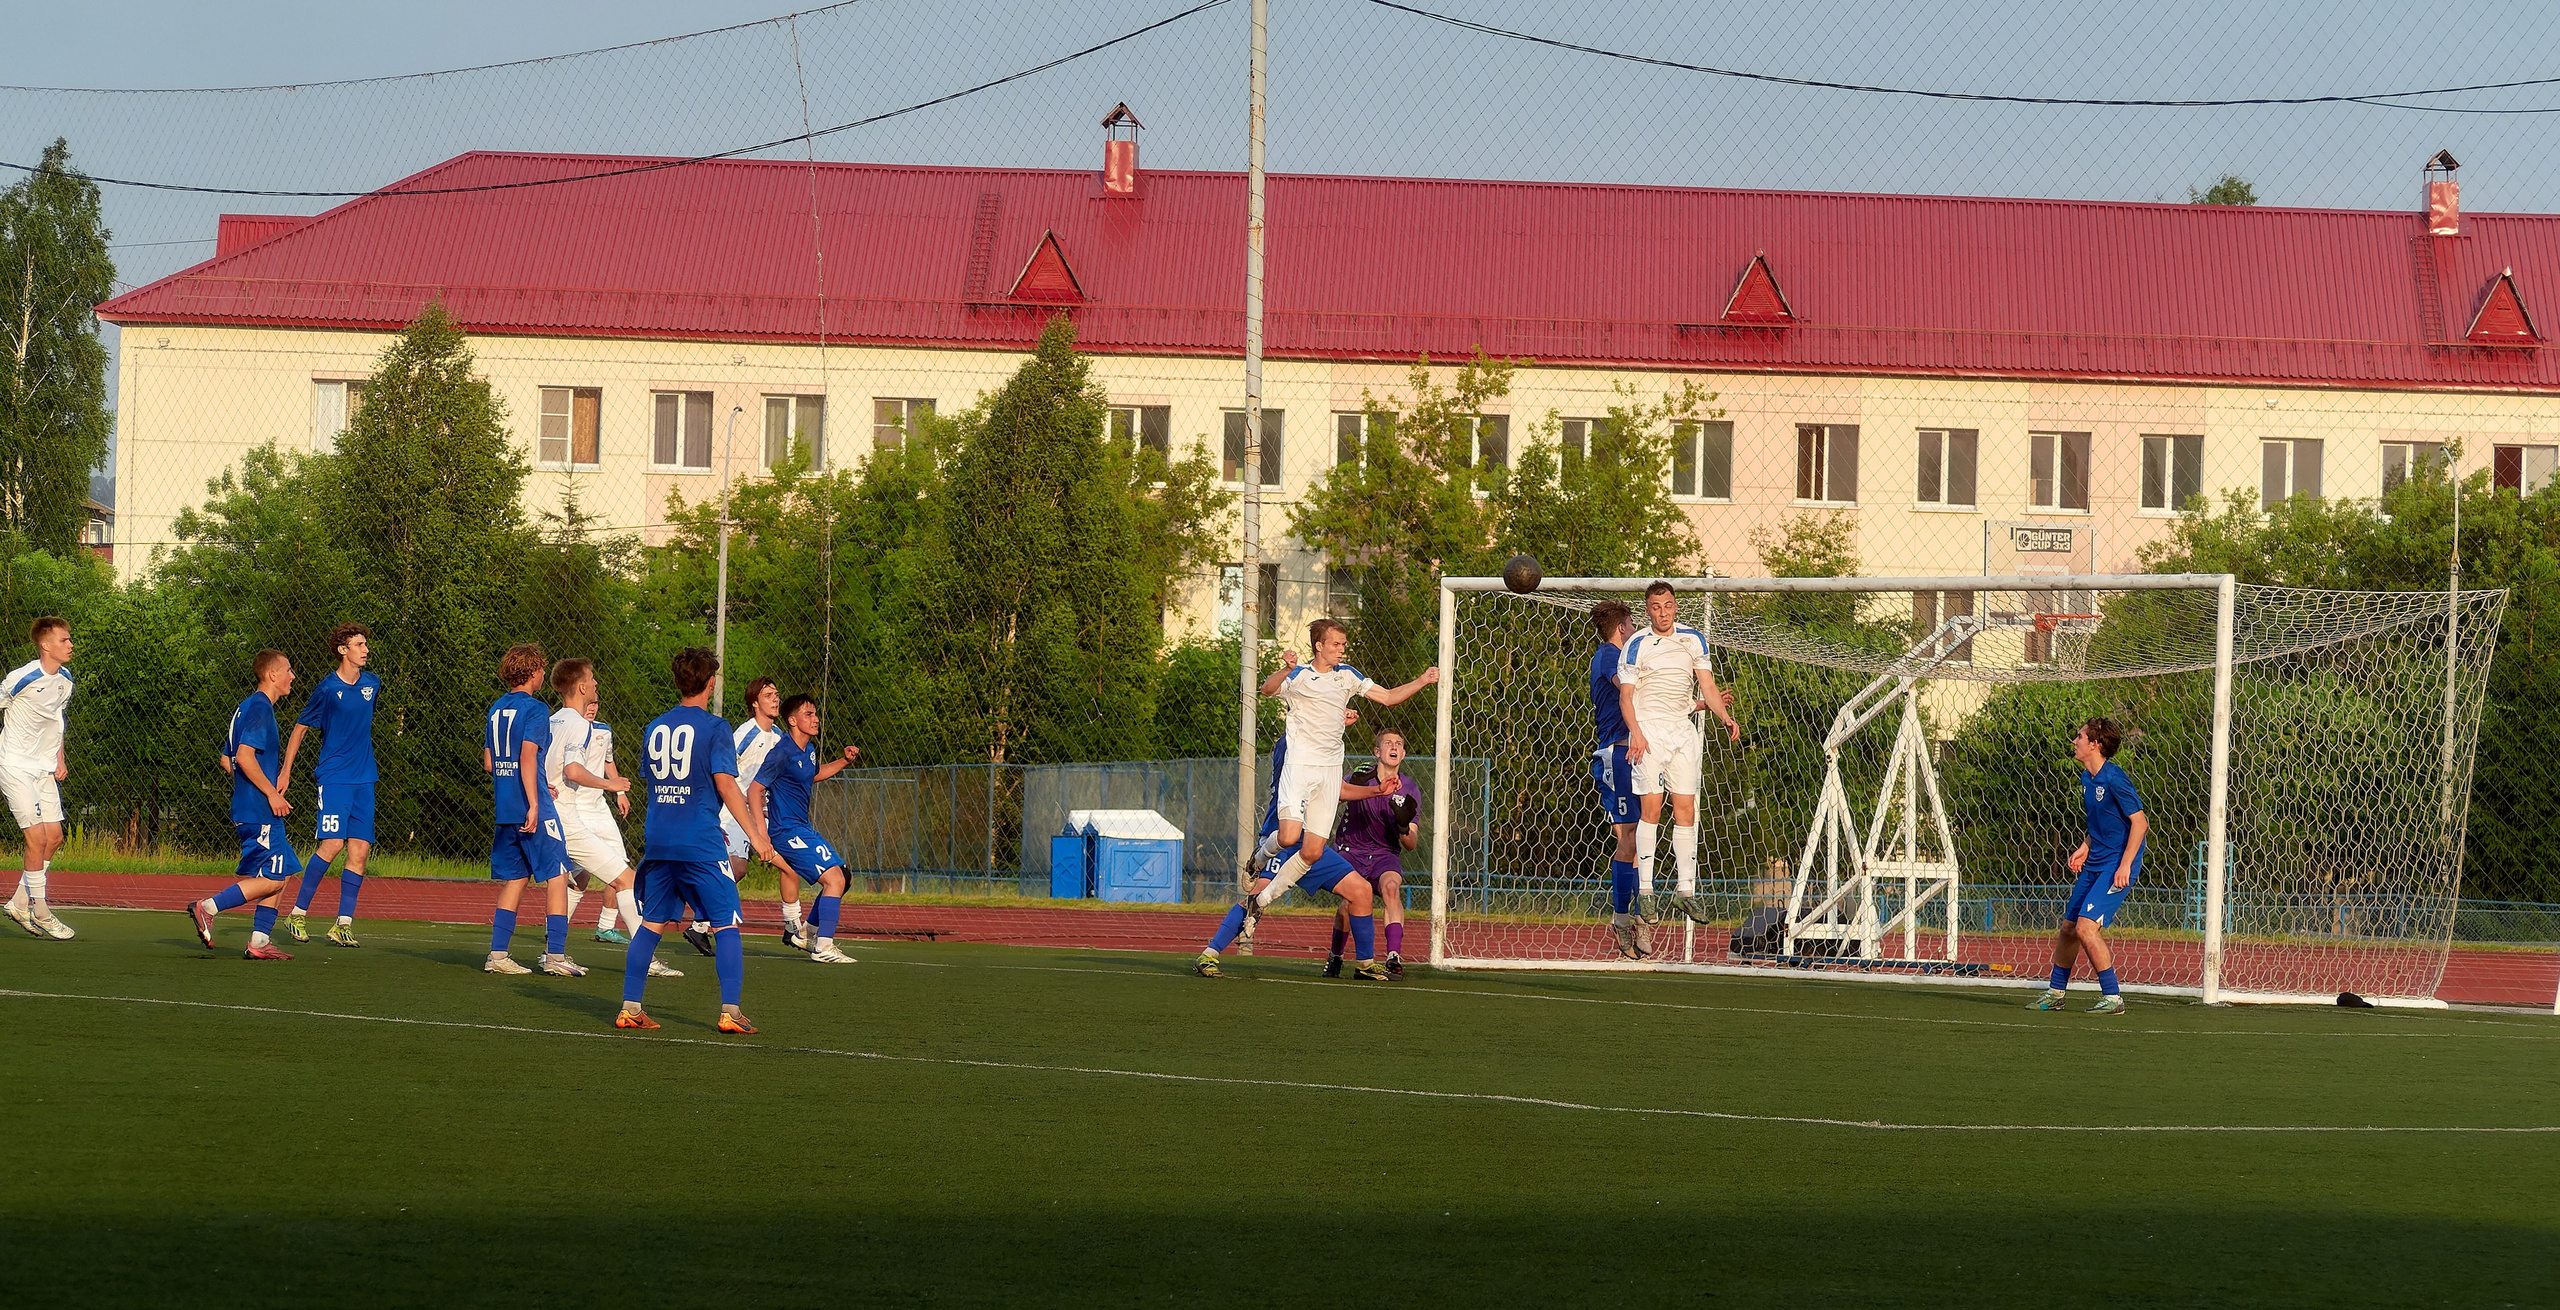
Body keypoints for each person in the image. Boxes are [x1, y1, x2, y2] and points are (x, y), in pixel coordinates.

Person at [615, 647, 786, 1033]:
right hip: (701, 841)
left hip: (659, 840)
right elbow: (727, 786)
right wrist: (758, 836)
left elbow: (657, 781)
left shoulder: (654, 727)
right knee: (725, 924)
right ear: (710, 684)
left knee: (652, 923)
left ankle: (630, 1007)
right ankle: (730, 1011)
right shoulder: (715, 727)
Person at [1252, 619, 1437, 906]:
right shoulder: (1299, 676)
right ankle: (1262, 854)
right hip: (1299, 767)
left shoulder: (1347, 676)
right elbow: (1266, 689)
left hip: (1328, 772)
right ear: (1319, 646)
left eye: (1343, 645)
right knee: (1288, 837)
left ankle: (1260, 901)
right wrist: (1287, 668)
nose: (1341, 650)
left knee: (1312, 852)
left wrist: (1422, 680)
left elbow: (1387, 697)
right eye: (1336, 644)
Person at [547, 660, 681, 980]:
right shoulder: (580, 724)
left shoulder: (551, 721)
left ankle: (550, 953)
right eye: (592, 680)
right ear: (581, 688)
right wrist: (613, 784)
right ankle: (644, 958)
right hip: (567, 817)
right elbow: (572, 771)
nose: (596, 685)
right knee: (626, 879)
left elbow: (538, 762)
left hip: (554, 816)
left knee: (559, 880)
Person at [1618, 581, 1739, 928]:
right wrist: (1636, 734)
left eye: (1668, 605)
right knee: (1652, 809)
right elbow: (1626, 697)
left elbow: (1709, 686)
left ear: (1675, 606)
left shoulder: (1693, 639)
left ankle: (1685, 891)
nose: (1663, 612)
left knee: (1687, 808)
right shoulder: (1636, 644)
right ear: (1648, 610)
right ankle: (1646, 891)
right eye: (1656, 607)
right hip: (1650, 732)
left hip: (1682, 731)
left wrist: (1725, 718)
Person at [185, 650, 301, 959]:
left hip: (250, 805)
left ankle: (260, 941)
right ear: (272, 675)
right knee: (274, 877)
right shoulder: (261, 708)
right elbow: (245, 757)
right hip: (259, 808)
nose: (292, 676)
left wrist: (254, 786)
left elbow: (228, 760)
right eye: (288, 670)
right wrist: (270, 793)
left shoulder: (246, 707)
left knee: (285, 869)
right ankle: (207, 907)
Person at [2029, 717, 2148, 1016]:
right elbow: (2101, 826)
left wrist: (2125, 865)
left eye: (2079, 736)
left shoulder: (2114, 778)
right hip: (2096, 861)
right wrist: (2084, 848)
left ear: (2094, 744)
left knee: (2085, 928)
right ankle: (2056, 993)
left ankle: (2113, 997)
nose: (2074, 741)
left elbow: (2140, 823)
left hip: (2115, 866)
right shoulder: (2087, 778)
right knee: (2069, 928)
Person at [278, 622, 379, 948]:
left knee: (359, 851)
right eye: (359, 644)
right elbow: (300, 729)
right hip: (334, 778)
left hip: (364, 779)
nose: (365, 650)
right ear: (342, 650)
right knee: (333, 844)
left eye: (365, 644)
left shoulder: (372, 684)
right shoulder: (326, 689)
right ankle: (297, 912)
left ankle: (342, 924)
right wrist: (285, 772)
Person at [483, 643, 581, 978]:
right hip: (530, 806)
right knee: (557, 874)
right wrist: (536, 798)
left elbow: (489, 762)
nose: (543, 674)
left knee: (516, 877)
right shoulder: (536, 709)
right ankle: (555, 955)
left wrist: (528, 782)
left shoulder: (496, 707)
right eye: (541, 668)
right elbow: (527, 755)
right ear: (532, 671)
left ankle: (497, 954)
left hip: (506, 805)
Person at [747, 694, 861, 964]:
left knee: (844, 877)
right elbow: (755, 789)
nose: (815, 718)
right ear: (793, 720)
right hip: (786, 832)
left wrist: (844, 761)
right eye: (808, 714)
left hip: (801, 828)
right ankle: (824, 946)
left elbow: (814, 773)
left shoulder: (807, 750)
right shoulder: (782, 752)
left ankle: (806, 932)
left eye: (815, 713)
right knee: (834, 879)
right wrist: (761, 833)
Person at [1196, 834, 1390, 981]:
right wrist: (1375, 789)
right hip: (1284, 841)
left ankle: (1365, 964)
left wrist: (1378, 789)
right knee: (1256, 898)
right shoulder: (1291, 779)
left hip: (1313, 845)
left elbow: (1338, 791)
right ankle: (1209, 955)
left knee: (1361, 890)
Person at [697, 677, 786, 955]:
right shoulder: (745, 734)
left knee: (770, 865)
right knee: (735, 869)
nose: (775, 699)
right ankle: (700, 923)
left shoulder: (779, 737)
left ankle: (795, 924)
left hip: (759, 813)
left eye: (776, 694)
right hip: (733, 812)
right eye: (768, 695)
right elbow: (724, 769)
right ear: (754, 703)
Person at [1, 617, 76, 941]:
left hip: (44, 770)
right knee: (36, 839)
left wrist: (58, 758)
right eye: (64, 640)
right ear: (46, 645)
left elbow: (54, 722)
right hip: (16, 767)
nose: (70, 645)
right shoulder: (21, 678)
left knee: (55, 837)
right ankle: (42, 911)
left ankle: (19, 902)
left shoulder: (66, 680)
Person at [1324, 729, 1421, 977]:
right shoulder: (1360, 776)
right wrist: (1353, 784)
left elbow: (1411, 842)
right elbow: (1331, 799)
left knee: (1391, 888)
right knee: (1350, 903)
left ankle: (1393, 957)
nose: (1394, 746)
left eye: (1399, 743)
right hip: (1351, 850)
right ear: (1377, 751)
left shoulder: (1409, 788)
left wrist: (1402, 826)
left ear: (1403, 753)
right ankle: (1335, 956)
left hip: (1384, 853)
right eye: (1388, 743)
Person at [1586, 601, 1643, 959]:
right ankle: (1622, 919)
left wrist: (1697, 704)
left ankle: (1634, 917)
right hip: (1616, 754)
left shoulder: (1619, 657)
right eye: (1633, 622)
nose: (1636, 627)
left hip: (1635, 754)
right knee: (1628, 839)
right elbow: (1629, 692)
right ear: (1622, 627)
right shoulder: (1608, 656)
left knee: (1639, 841)